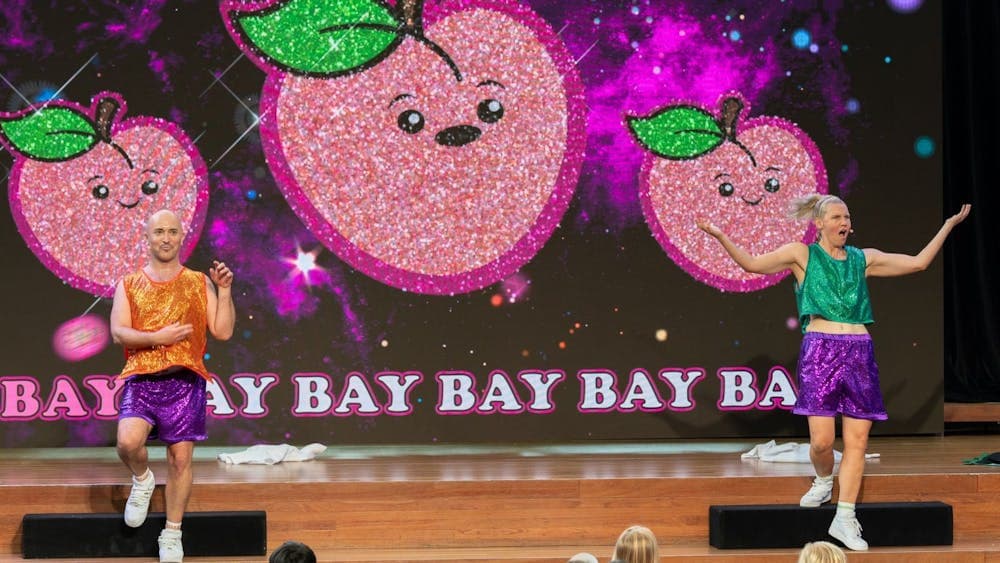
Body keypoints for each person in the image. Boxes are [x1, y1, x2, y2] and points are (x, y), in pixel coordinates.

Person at [697, 195, 970, 551]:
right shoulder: (802, 254)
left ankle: (844, 517)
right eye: (838, 217)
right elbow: (751, 264)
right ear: (820, 223)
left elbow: (918, 263)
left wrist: (947, 226)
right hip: (820, 352)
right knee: (822, 442)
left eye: (848, 217)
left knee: (857, 442)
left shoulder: (862, 259)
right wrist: (720, 235)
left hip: (859, 353)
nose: (845, 222)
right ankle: (824, 479)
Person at [110, 209, 235, 563]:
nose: (165, 237)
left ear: (182, 237)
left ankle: (172, 533)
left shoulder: (198, 281)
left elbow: (222, 331)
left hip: (184, 382)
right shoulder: (129, 283)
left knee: (181, 460)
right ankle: (143, 479)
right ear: (147, 238)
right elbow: (119, 331)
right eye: (159, 231)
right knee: (127, 442)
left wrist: (224, 292)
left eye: (172, 232)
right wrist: (156, 338)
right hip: (143, 379)